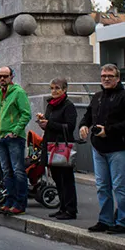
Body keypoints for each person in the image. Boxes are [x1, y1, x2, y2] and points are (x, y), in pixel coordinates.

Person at [79, 63, 125, 234]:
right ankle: (105, 220)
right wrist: (84, 125)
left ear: (118, 78)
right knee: (102, 186)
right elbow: (88, 115)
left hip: (119, 148)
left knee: (120, 186)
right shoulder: (97, 96)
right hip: (99, 147)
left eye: (110, 76)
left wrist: (109, 131)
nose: (106, 79)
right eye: (103, 76)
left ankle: (124, 221)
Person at [0, 66, 32, 215]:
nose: (2, 79)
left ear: (11, 77)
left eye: (5, 76)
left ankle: (20, 203)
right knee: (6, 171)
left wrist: (15, 131)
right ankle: (9, 200)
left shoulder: (18, 92)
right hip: (0, 136)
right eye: (0, 76)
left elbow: (26, 114)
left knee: (18, 171)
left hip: (13, 138)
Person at [37, 78, 78, 220]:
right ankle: (62, 207)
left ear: (64, 90)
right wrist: (43, 122)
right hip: (51, 145)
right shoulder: (51, 105)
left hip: (62, 146)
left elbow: (70, 127)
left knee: (66, 179)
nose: (54, 91)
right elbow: (50, 124)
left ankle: (71, 209)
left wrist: (50, 124)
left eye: (57, 88)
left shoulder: (68, 106)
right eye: (52, 88)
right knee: (57, 178)